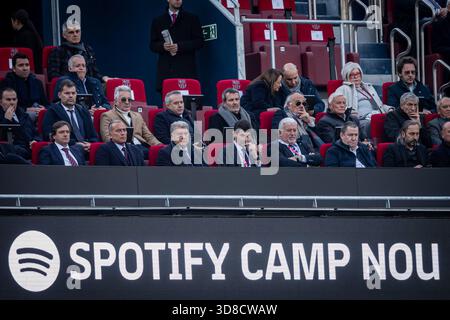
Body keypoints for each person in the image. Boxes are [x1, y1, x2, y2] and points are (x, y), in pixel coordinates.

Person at [150, 0, 204, 93]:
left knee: (187, 105)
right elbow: (152, 45)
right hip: (166, 72)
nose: (178, 0)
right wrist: (163, 46)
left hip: (186, 72)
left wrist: (179, 46)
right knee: (168, 105)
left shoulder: (192, 18)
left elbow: (199, 42)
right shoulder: (158, 21)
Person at [100, 85, 160, 159]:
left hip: (141, 146)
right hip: (124, 148)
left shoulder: (137, 116)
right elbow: (107, 138)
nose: (127, 102)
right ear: (115, 101)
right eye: (123, 99)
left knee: (161, 154)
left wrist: (160, 146)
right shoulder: (107, 115)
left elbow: (148, 136)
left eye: (130, 99)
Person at [335, 62, 393, 138]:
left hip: (378, 115)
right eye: (352, 75)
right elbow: (339, 107)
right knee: (376, 123)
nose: (356, 77)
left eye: (358, 74)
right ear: (346, 76)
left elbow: (380, 105)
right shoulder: (343, 89)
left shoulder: (368, 87)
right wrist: (357, 115)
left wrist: (390, 109)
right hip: (361, 121)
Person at [43, 79, 98, 153]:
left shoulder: (83, 110)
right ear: (59, 95)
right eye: (67, 93)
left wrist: (90, 144)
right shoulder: (52, 111)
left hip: (87, 149)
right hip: (67, 149)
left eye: (73, 93)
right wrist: (75, 144)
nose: (71, 96)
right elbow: (49, 135)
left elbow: (93, 135)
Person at [0, 52, 47, 122]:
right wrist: (26, 109)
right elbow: (7, 105)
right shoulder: (7, 82)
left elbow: (46, 103)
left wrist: (43, 108)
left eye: (27, 65)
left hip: (39, 113)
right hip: (19, 114)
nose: (25, 68)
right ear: (14, 68)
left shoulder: (37, 82)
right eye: (21, 65)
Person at [0, 87, 38, 159]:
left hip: (27, 149)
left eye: (14, 99)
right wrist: (7, 120)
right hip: (9, 150)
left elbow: (35, 133)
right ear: (1, 102)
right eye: (8, 99)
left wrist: (35, 141)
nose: (12, 102)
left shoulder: (24, 115)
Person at [11, 9, 43, 74]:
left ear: (16, 21)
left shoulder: (27, 36)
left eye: (12, 21)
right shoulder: (22, 34)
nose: (11, 24)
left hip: (29, 71)